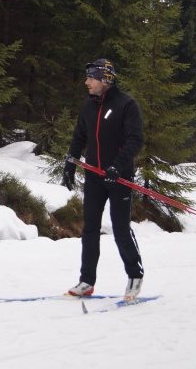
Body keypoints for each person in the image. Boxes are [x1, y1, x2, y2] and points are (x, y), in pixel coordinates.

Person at [61, 58, 145, 301]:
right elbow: (79, 137)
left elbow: (135, 140)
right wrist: (70, 164)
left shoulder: (126, 104)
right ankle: (86, 281)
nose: (86, 82)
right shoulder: (88, 105)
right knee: (89, 229)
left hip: (118, 177)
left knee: (120, 229)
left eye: (91, 77)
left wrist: (117, 167)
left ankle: (135, 275)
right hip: (94, 176)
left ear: (105, 80)